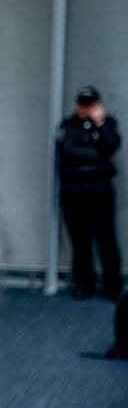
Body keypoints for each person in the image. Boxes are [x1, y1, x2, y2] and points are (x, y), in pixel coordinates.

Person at [56, 86, 123, 300]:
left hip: (100, 190)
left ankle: (112, 284)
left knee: (106, 238)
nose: (86, 108)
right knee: (80, 239)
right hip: (74, 191)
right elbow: (67, 151)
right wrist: (97, 154)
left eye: (91, 104)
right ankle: (84, 282)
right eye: (83, 104)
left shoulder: (108, 124)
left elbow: (112, 145)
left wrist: (100, 124)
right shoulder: (67, 126)